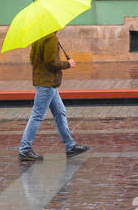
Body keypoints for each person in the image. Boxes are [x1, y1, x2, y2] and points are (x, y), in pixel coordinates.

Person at [18, 32, 89, 162]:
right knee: (37, 115)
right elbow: (51, 63)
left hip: (46, 82)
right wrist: (68, 64)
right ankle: (25, 149)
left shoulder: (37, 37)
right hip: (47, 83)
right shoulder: (50, 38)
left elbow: (33, 60)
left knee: (60, 112)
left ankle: (70, 146)